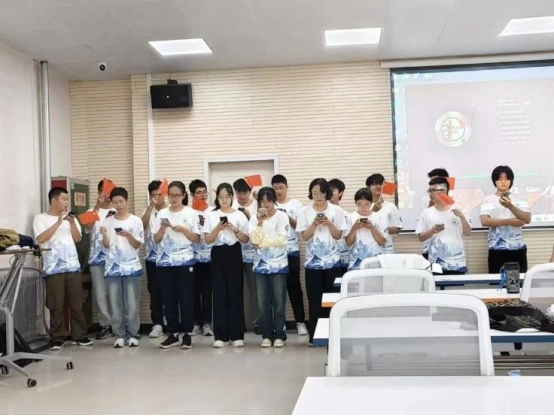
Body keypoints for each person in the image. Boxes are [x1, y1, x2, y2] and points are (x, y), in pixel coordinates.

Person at [34, 187, 93, 351]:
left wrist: (71, 223)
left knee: (77, 303)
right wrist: (58, 222)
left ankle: (79, 335)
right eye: (64, 199)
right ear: (54, 200)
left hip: (73, 267)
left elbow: (78, 238)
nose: (67, 202)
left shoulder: (70, 219)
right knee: (56, 304)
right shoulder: (41, 218)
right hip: (53, 269)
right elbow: (41, 238)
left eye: (67, 199)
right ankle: (57, 338)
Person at [296, 178, 347, 346]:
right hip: (312, 264)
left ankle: (333, 337)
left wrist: (329, 223)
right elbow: (304, 236)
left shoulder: (337, 210)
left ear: (327, 193)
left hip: (333, 263)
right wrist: (314, 224)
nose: (318, 196)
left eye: (322, 193)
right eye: (315, 193)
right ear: (311, 193)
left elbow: (338, 235)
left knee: (332, 300)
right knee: (315, 300)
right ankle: (315, 337)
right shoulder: (304, 211)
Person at [154, 181, 200, 350]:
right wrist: (162, 228)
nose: (173, 198)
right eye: (171, 195)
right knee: (168, 298)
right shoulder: (161, 213)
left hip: (185, 261)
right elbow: (156, 239)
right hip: (165, 263)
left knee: (186, 297)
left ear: (183, 196)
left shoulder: (191, 213)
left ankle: (187, 333)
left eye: (177, 195)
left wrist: (183, 229)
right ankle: (172, 333)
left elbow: (197, 238)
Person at [205, 183, 250, 348]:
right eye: (221, 197)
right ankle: (221, 336)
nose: (224, 200)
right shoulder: (211, 215)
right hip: (217, 253)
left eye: (227, 196)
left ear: (232, 197)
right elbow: (207, 240)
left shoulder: (239, 215)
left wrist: (235, 230)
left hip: (234, 253)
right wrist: (218, 228)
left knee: (235, 293)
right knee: (219, 294)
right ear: (217, 198)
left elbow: (246, 239)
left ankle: (237, 335)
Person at [101, 188, 144, 349]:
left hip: (132, 267)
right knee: (115, 303)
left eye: (121, 201)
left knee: (132, 303)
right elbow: (106, 245)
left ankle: (133, 334)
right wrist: (104, 234)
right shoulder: (107, 221)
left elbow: (137, 244)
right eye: (115, 202)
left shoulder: (135, 221)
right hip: (112, 268)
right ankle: (119, 334)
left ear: (126, 201)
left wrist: (128, 235)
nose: (118, 205)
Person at [250, 187, 289, 348]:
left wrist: (264, 243)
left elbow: (283, 239)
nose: (265, 204)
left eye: (268, 201)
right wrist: (260, 223)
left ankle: (279, 334)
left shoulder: (282, 216)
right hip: (260, 266)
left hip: (279, 265)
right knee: (263, 303)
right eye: (262, 201)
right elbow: (254, 240)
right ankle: (266, 335)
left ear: (274, 201)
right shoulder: (254, 218)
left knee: (279, 303)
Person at [272, 174, 307, 336]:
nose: (278, 191)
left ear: (286, 187)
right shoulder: (269, 204)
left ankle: (300, 322)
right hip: (273, 253)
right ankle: (280, 323)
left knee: (294, 287)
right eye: (275, 188)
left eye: (281, 188)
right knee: (276, 290)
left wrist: (286, 216)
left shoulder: (296, 204)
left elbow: (300, 227)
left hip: (292, 251)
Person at [480, 166, 532, 274]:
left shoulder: (520, 198)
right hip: (496, 249)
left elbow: (527, 219)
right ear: (495, 181)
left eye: (507, 179)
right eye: (500, 179)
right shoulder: (488, 199)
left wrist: (510, 206)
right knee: (497, 282)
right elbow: (485, 221)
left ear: (511, 181)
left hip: (517, 248)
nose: (503, 182)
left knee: (517, 282)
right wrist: (510, 221)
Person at [417, 178, 472, 275]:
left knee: (457, 285)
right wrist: (432, 231)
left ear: (444, 191)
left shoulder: (458, 209)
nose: (430, 194)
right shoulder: (427, 213)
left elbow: (467, 233)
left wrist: (462, 217)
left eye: (433, 190)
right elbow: (420, 238)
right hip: (435, 264)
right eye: (429, 191)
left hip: (457, 263)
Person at [86, 180, 114, 341]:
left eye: (111, 190)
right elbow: (89, 226)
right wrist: (97, 205)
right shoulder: (90, 211)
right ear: (99, 193)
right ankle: (105, 325)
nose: (108, 194)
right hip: (96, 259)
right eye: (105, 191)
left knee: (116, 293)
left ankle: (120, 324)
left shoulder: (117, 209)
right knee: (100, 294)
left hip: (115, 259)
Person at [142, 180, 169, 339]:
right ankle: (157, 323)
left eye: (160, 194)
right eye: (154, 195)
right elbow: (141, 225)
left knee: (170, 291)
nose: (158, 197)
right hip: (152, 259)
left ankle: (171, 321)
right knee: (155, 291)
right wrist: (151, 206)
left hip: (170, 259)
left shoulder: (171, 210)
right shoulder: (149, 211)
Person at [233, 178, 260, 333]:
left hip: (253, 254)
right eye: (239, 193)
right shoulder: (231, 206)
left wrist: (250, 217)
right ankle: (238, 323)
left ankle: (258, 323)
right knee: (236, 290)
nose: (242, 196)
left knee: (255, 290)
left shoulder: (257, 205)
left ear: (250, 192)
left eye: (245, 192)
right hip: (235, 253)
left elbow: (263, 226)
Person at [189, 179, 214, 337]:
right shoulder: (188, 212)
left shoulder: (213, 211)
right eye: (199, 192)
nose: (202, 195)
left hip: (209, 258)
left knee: (207, 292)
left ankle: (206, 323)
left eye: (204, 192)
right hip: (191, 258)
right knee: (193, 291)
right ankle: (195, 323)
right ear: (192, 195)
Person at [346, 189, 387, 270]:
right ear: (355, 203)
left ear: (371, 203)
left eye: (366, 204)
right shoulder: (350, 217)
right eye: (360, 204)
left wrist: (372, 228)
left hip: (375, 260)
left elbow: (382, 242)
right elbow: (348, 243)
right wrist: (354, 228)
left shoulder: (379, 217)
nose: (363, 207)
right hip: (355, 261)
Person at [366, 174, 403, 254]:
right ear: (368, 187)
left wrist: (384, 229)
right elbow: (362, 225)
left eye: (380, 184)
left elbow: (397, 229)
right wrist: (373, 211)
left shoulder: (391, 206)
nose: (378, 186)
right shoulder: (364, 206)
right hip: (370, 248)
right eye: (375, 184)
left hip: (387, 249)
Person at [329, 179, 351, 278]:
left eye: (333, 190)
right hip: (327, 258)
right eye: (328, 190)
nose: (330, 192)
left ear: (340, 193)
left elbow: (348, 237)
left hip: (343, 257)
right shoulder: (321, 213)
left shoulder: (345, 214)